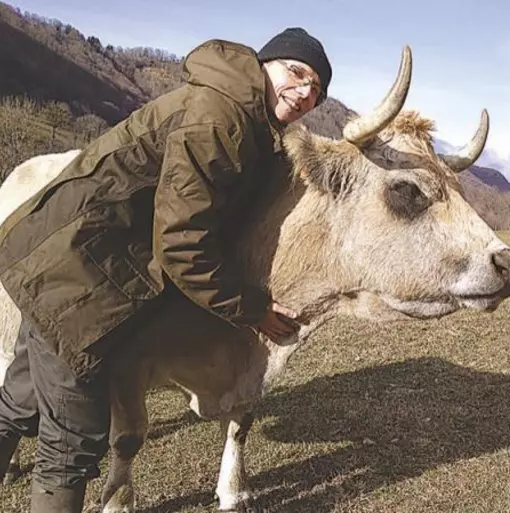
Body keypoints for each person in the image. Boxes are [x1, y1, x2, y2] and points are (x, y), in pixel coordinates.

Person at [0, 27, 332, 512]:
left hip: (57, 258)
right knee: (72, 443)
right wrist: (252, 309)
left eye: (317, 91)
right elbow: (182, 244)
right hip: (76, 279)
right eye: (296, 73)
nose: (305, 94)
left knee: (19, 401)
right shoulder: (220, 120)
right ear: (265, 65)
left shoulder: (232, 111)